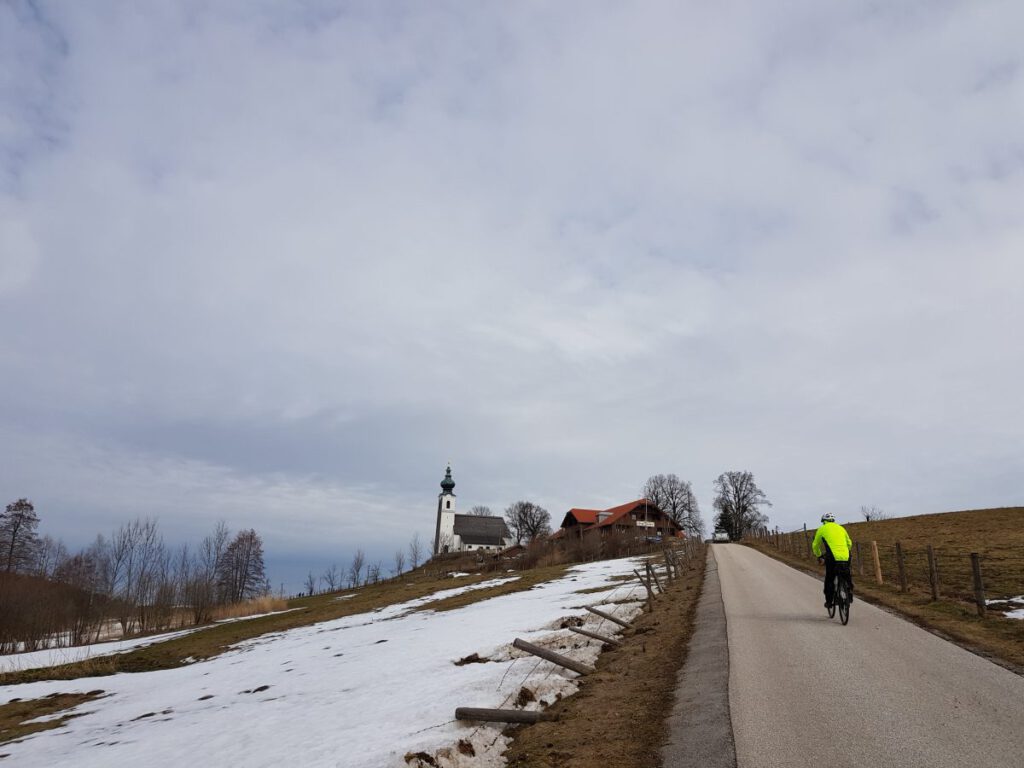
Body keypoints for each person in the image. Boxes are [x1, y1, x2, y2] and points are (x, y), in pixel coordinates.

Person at [811, 513, 853, 609]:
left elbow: (815, 545)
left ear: (823, 521)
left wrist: (819, 556)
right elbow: (849, 543)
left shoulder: (822, 529)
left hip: (832, 557)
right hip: (846, 556)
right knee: (846, 575)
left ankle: (829, 602)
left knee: (830, 578)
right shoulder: (841, 528)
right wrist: (846, 551)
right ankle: (849, 594)